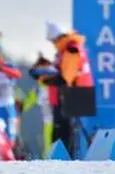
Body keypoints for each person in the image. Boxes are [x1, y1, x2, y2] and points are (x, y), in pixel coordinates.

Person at [30, 22, 95, 159]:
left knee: (65, 133)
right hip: (72, 95)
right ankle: (61, 158)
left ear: (59, 38)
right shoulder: (67, 50)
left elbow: (65, 79)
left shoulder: (71, 50)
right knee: (64, 131)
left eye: (54, 41)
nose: (54, 45)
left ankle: (64, 160)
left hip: (75, 95)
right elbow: (60, 74)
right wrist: (43, 76)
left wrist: (42, 77)